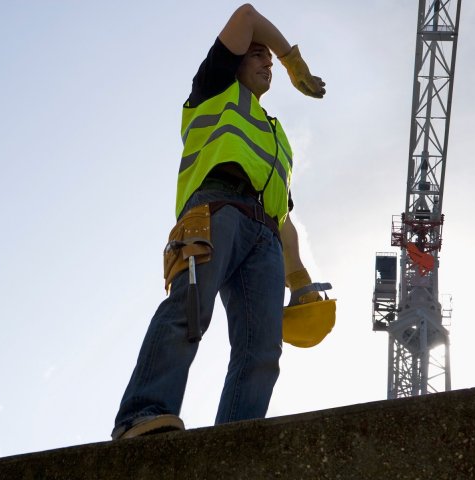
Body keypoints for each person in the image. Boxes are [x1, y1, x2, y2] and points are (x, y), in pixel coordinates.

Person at [112, 3, 326, 440]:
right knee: (189, 310)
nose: (266, 60)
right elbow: (247, 15)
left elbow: (284, 216)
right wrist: (291, 59)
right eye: (257, 55)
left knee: (263, 350)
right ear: (235, 62)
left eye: (270, 57)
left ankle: (235, 441)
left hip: (265, 235)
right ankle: (142, 416)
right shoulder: (212, 90)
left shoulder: (277, 134)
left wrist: (300, 281)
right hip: (216, 210)